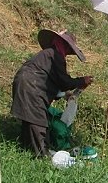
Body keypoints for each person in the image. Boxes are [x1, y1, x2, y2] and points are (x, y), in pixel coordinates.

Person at [11, 29, 94, 157]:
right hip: (32, 87)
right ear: (65, 46)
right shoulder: (55, 56)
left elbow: (52, 82)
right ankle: (41, 155)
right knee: (38, 122)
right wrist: (82, 80)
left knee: (31, 121)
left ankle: (26, 149)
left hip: (27, 85)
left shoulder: (49, 55)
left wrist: (65, 94)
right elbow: (64, 82)